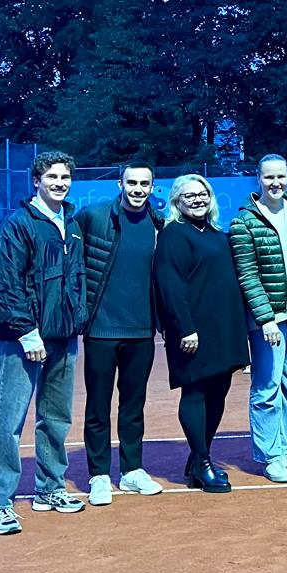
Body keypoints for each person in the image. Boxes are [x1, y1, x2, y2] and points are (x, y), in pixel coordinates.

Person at [0, 151, 88, 534]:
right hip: (23, 340)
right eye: (52, 177)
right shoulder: (18, 224)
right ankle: (1, 503)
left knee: (56, 419)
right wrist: (27, 333)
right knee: (9, 422)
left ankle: (50, 489)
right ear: (36, 181)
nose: (59, 183)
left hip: (64, 337)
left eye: (65, 177)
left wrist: (78, 321)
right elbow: (5, 284)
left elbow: (76, 279)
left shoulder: (71, 224)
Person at [73, 160, 166, 505]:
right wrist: (79, 309)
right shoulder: (93, 216)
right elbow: (72, 261)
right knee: (98, 406)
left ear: (152, 187)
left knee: (133, 406)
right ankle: (99, 475)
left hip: (142, 331)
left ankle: (131, 471)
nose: (138, 189)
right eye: (132, 183)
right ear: (120, 184)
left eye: (144, 184)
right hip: (101, 330)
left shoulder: (159, 222)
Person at [153, 175, 249, 494]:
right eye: (189, 195)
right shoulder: (173, 235)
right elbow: (170, 285)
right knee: (195, 392)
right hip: (193, 330)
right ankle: (203, 462)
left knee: (219, 391)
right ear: (176, 202)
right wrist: (185, 328)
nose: (197, 199)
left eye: (203, 193)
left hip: (224, 327)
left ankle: (198, 459)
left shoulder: (216, 234)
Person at [229, 155, 287, 483]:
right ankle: (270, 455)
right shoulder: (244, 221)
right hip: (270, 318)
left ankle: (283, 449)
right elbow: (247, 274)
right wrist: (265, 318)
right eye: (269, 177)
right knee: (267, 387)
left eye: (281, 176)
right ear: (258, 178)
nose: (276, 183)